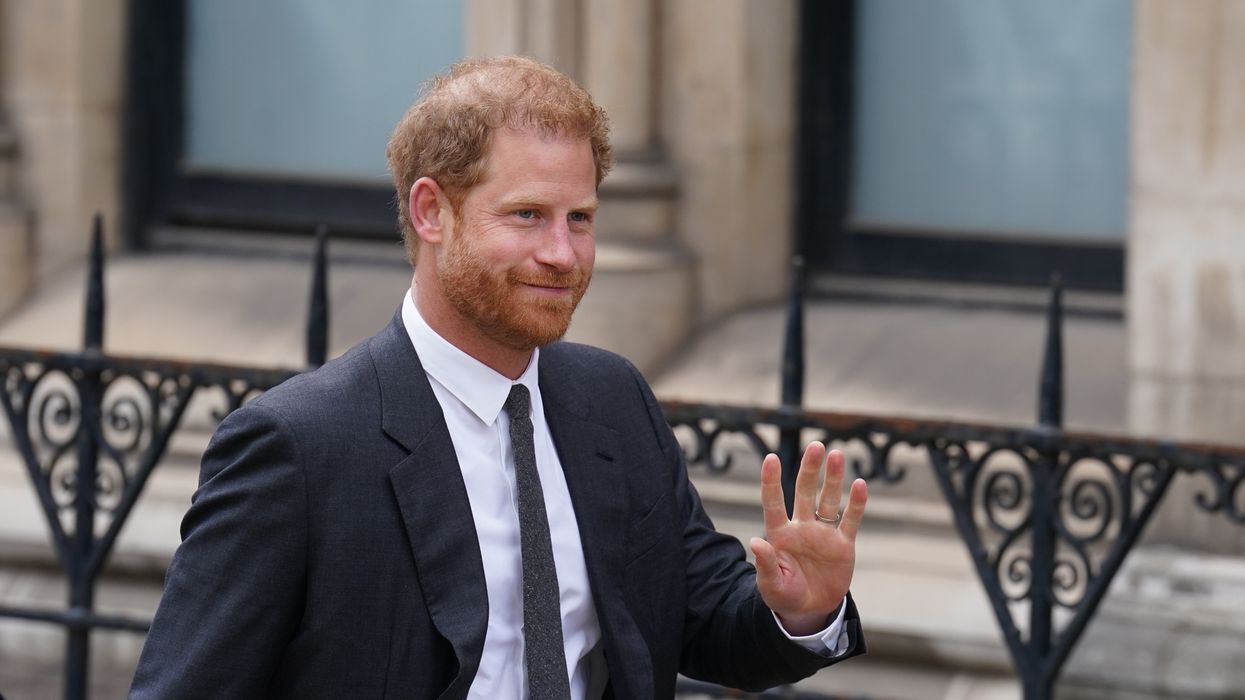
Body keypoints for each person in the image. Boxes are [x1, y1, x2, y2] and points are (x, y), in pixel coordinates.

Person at [130, 56, 869, 700]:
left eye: (579, 218)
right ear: (431, 212)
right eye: (525, 215)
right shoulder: (300, 445)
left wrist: (800, 610)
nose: (563, 253)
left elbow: (700, 618)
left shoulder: (611, 400)